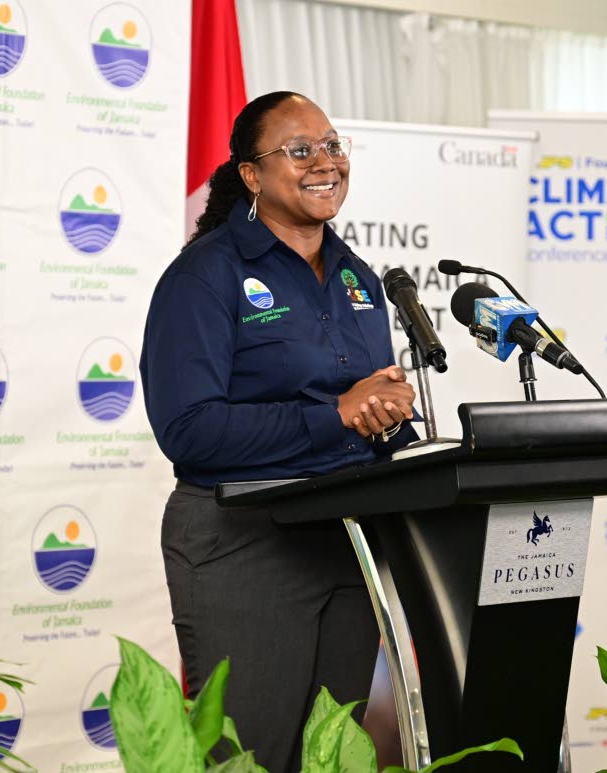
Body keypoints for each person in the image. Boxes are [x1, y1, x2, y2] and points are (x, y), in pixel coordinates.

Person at [139, 91, 419, 772]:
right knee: (247, 757)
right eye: (300, 150)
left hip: (343, 545)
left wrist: (402, 436)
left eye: (332, 146)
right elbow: (190, 431)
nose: (325, 161)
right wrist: (337, 414)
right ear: (252, 175)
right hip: (242, 548)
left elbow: (365, 414)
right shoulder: (206, 275)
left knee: (332, 756)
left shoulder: (360, 280)